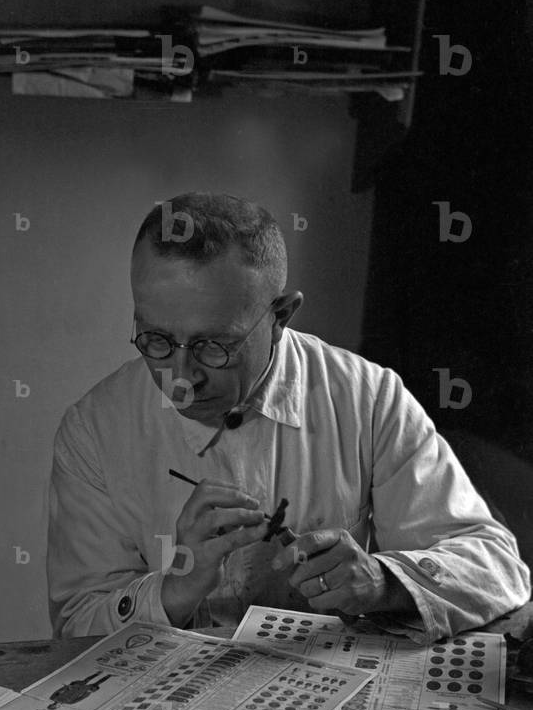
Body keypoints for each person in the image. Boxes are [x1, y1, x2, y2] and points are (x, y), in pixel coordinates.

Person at [47, 193, 530, 643]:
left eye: (214, 345)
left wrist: (382, 582)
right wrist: (175, 590)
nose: (181, 377)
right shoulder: (94, 431)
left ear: (281, 316)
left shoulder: (367, 398)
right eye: (156, 339)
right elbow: (75, 625)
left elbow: (497, 570)